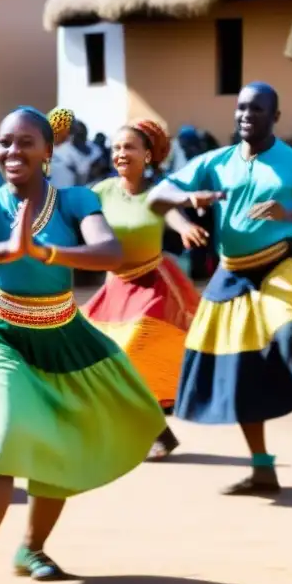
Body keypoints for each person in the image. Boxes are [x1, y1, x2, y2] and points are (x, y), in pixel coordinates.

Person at [0, 107, 164, 584]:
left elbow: (108, 254)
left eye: (26, 142)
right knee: (6, 430)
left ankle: (31, 548)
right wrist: (5, 249)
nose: (13, 152)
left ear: (47, 151)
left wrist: (47, 253)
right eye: (5, 143)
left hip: (62, 336)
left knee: (59, 439)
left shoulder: (76, 200)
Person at [147, 82, 292, 494]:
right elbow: (158, 197)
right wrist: (186, 209)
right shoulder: (215, 161)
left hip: (280, 266)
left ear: (276, 117)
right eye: (242, 108)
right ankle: (263, 468)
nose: (247, 115)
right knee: (243, 371)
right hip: (232, 274)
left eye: (258, 109)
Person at [82, 120, 206, 460]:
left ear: (148, 155)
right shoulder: (100, 191)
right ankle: (159, 434)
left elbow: (173, 214)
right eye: (117, 148)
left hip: (152, 284)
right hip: (115, 288)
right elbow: (72, 214)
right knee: (102, 361)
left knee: (134, 350)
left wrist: (185, 227)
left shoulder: (158, 191)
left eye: (130, 147)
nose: (121, 153)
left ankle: (153, 430)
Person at [50, 114, 103, 188]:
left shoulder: (95, 150)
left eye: (82, 133)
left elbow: (97, 170)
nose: (79, 136)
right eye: (77, 133)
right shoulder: (62, 151)